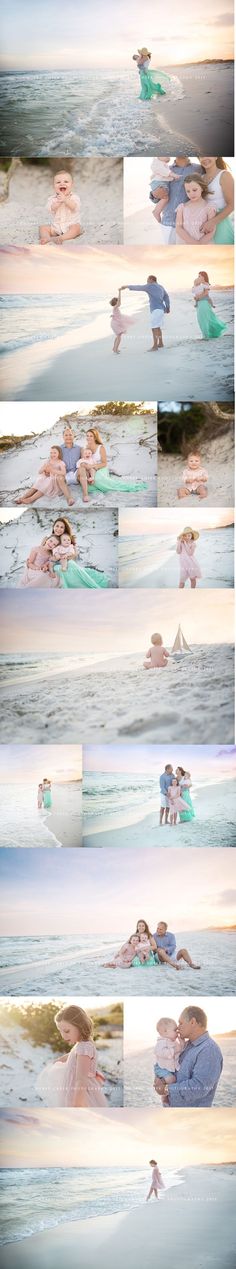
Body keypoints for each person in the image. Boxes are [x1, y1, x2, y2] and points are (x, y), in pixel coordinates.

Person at [37, 1005, 107, 1108]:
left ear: (80, 1026)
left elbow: (81, 1080)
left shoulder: (84, 1048)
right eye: (60, 1031)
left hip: (79, 1093)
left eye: (66, 1031)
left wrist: (77, 1105)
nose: (63, 1036)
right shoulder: (82, 1045)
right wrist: (61, 1059)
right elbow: (75, 1055)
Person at [154, 1006, 223, 1107]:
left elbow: (199, 1087)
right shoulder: (186, 1045)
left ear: (192, 1022)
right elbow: (171, 1068)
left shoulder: (209, 1050)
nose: (178, 1027)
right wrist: (160, 1079)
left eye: (181, 1023)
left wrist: (166, 1089)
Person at [77, 427, 148, 502]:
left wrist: (93, 466)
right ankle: (96, 486)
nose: (88, 437)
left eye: (91, 436)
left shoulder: (100, 447)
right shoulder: (86, 447)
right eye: (87, 436)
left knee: (98, 479)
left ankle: (114, 486)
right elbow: (83, 461)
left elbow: (104, 463)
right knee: (87, 484)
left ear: (95, 437)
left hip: (101, 467)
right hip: (91, 469)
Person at [153, 157, 204, 243]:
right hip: (168, 222)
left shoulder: (199, 169)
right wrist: (153, 194)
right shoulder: (166, 169)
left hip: (188, 225)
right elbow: (156, 188)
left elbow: (205, 189)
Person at [121, 275, 170, 351]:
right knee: (158, 327)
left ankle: (155, 346)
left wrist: (127, 286)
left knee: (154, 328)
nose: (147, 281)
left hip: (156, 309)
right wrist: (168, 307)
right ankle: (160, 343)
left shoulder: (150, 286)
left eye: (147, 279)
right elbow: (166, 296)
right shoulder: (161, 287)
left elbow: (139, 287)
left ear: (151, 279)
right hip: (161, 309)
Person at [39, 169, 83, 245]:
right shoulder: (52, 199)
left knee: (77, 228)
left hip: (70, 225)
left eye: (66, 182)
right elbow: (51, 209)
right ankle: (46, 238)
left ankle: (61, 238)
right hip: (57, 226)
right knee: (43, 227)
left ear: (72, 185)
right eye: (58, 182)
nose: (62, 184)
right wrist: (58, 202)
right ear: (54, 186)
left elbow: (74, 207)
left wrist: (65, 200)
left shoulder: (74, 197)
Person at [200, 157, 234, 244]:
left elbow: (232, 205)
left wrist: (212, 222)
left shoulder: (224, 175)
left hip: (221, 224)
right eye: (201, 156)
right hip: (204, 227)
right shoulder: (200, 178)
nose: (205, 158)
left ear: (216, 157)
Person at [176, 174, 216, 244]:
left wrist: (199, 243)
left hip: (203, 244)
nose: (191, 194)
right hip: (186, 244)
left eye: (194, 190)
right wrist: (193, 242)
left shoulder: (209, 207)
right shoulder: (182, 207)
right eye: (188, 191)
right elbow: (178, 228)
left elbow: (212, 230)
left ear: (202, 188)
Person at [193, 271, 227, 340]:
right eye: (198, 276)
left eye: (200, 276)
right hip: (200, 304)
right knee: (201, 319)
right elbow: (196, 292)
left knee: (205, 319)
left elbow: (206, 293)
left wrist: (198, 297)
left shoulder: (206, 284)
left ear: (204, 276)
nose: (198, 277)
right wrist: (196, 298)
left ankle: (206, 336)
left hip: (204, 303)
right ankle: (207, 335)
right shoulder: (199, 284)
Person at [154, 1017, 184, 1087]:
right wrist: (173, 1051)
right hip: (162, 1068)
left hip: (170, 1068)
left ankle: (165, 1094)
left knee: (174, 1079)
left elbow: (179, 1050)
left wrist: (182, 1044)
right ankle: (162, 1085)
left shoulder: (174, 1042)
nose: (177, 1032)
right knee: (171, 1080)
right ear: (165, 1031)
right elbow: (160, 1052)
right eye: (175, 1030)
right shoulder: (161, 1042)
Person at [149, 157, 181, 221]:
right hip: (159, 184)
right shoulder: (157, 162)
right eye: (166, 156)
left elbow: (166, 176)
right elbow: (164, 171)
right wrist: (173, 175)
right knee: (165, 198)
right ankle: (156, 212)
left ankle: (157, 211)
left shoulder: (164, 164)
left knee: (164, 198)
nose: (168, 157)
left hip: (161, 183)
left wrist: (172, 178)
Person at [110, 289, 134, 354]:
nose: (119, 303)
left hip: (116, 323)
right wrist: (119, 292)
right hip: (115, 324)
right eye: (117, 301)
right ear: (116, 302)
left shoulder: (115, 308)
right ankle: (115, 349)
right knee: (119, 337)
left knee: (118, 336)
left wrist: (113, 315)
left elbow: (116, 313)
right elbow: (120, 302)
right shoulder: (115, 307)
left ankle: (114, 348)